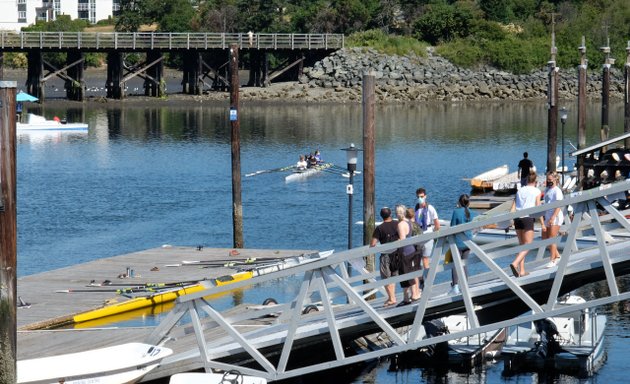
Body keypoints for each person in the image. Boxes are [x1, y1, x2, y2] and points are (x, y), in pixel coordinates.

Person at [510, 172, 543, 277]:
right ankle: (515, 263)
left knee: (522, 245)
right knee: (528, 244)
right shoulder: (537, 191)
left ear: (527, 180)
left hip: (517, 218)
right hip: (527, 218)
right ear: (536, 181)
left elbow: (514, 205)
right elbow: (538, 207)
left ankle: (522, 270)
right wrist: (542, 222)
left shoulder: (520, 190)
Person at [370, 207, 399, 307]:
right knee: (394, 275)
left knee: (386, 277)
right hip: (397, 253)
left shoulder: (379, 228)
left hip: (386, 255)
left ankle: (392, 298)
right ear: (390, 214)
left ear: (381, 216)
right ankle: (392, 297)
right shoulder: (397, 224)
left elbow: (373, 244)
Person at [449, 194, 476, 295]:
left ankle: (455, 286)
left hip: (458, 242)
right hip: (468, 242)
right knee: (464, 265)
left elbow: (452, 226)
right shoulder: (471, 212)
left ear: (459, 202)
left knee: (455, 264)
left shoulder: (456, 212)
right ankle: (465, 285)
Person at [395, 205, 421, 306]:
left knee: (406, 274)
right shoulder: (409, 222)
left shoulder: (401, 224)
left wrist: (395, 242)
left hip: (405, 252)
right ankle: (411, 295)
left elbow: (402, 239)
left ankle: (412, 294)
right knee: (411, 272)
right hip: (412, 250)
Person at [415, 187, 440, 288]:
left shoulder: (430, 208)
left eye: (421, 197)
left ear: (425, 196)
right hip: (419, 234)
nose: (420, 198)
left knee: (425, 259)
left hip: (428, 233)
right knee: (417, 260)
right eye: (418, 197)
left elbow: (437, 224)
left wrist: (434, 236)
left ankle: (428, 282)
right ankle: (421, 281)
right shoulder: (416, 208)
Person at [542, 171, 564, 268]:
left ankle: (553, 259)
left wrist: (553, 217)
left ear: (555, 179)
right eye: (547, 179)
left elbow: (559, 205)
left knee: (551, 238)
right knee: (545, 238)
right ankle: (558, 255)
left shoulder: (557, 190)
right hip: (547, 215)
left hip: (555, 216)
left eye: (550, 179)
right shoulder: (547, 189)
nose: (548, 181)